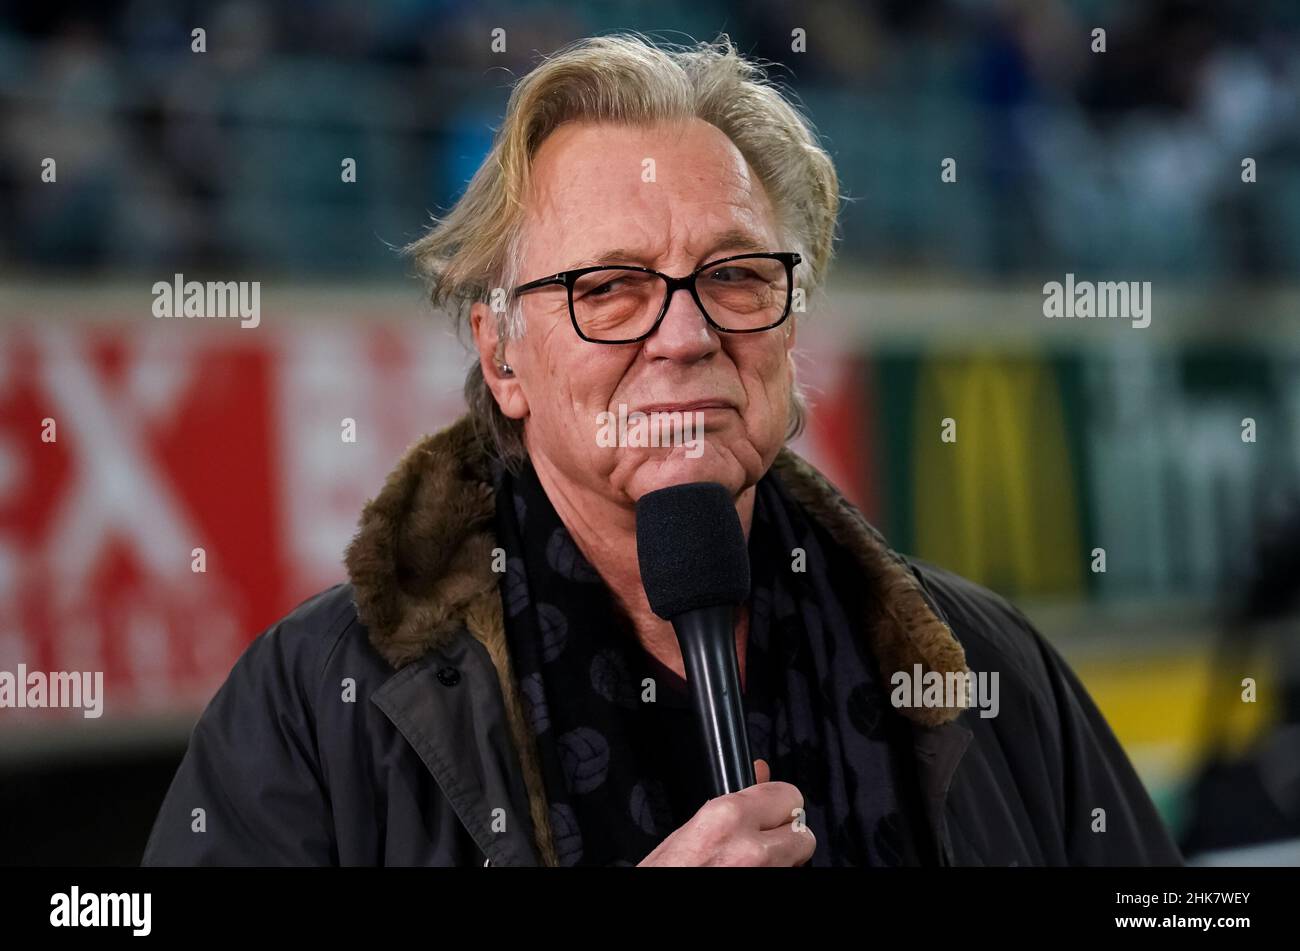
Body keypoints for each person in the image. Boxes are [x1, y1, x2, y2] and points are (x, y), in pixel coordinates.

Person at [142, 32, 1181, 867]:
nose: (684, 335)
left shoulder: (986, 664)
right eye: (608, 290)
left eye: (734, 275)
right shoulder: (312, 709)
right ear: (503, 355)